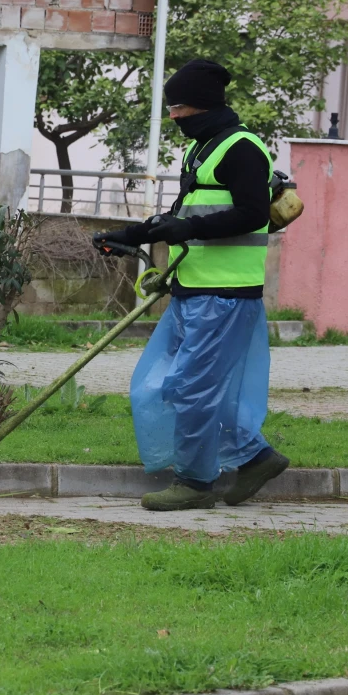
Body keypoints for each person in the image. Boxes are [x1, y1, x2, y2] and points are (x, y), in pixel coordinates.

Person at [92, 59, 288, 511]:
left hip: (225, 295)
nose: (174, 117)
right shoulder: (201, 149)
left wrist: (189, 230)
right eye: (172, 108)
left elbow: (252, 214)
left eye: (179, 108)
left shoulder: (243, 149)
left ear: (203, 105)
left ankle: (196, 484)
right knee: (179, 386)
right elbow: (182, 214)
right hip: (192, 289)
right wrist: (131, 235)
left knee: (192, 389)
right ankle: (256, 458)